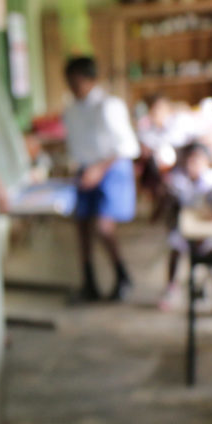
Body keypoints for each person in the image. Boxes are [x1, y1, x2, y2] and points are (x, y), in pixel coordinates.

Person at [62, 56, 140, 301]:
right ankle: (89, 283)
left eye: (78, 81)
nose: (74, 87)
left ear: (91, 80)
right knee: (82, 225)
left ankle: (122, 275)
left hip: (111, 169)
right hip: (85, 171)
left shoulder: (109, 106)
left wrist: (99, 169)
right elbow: (75, 146)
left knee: (103, 227)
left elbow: (128, 147)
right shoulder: (71, 110)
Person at [158, 142, 212, 311]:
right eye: (191, 160)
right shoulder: (178, 181)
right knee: (175, 245)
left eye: (198, 161)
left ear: (207, 162)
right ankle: (171, 288)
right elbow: (176, 210)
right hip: (188, 230)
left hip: (210, 232)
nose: (193, 165)